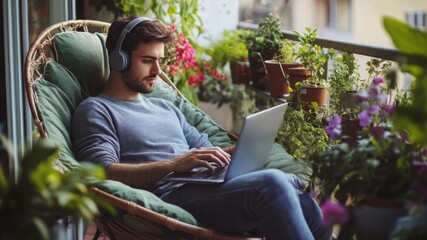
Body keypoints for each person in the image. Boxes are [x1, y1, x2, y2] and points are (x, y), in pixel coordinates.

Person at [72, 15, 332, 240]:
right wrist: (174, 164)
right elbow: (102, 172)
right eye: (147, 60)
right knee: (274, 183)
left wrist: (240, 148)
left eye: (160, 60)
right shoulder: (96, 110)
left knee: (305, 202)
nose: (157, 70)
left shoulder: (166, 108)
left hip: (204, 185)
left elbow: (207, 150)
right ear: (120, 61)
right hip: (171, 196)